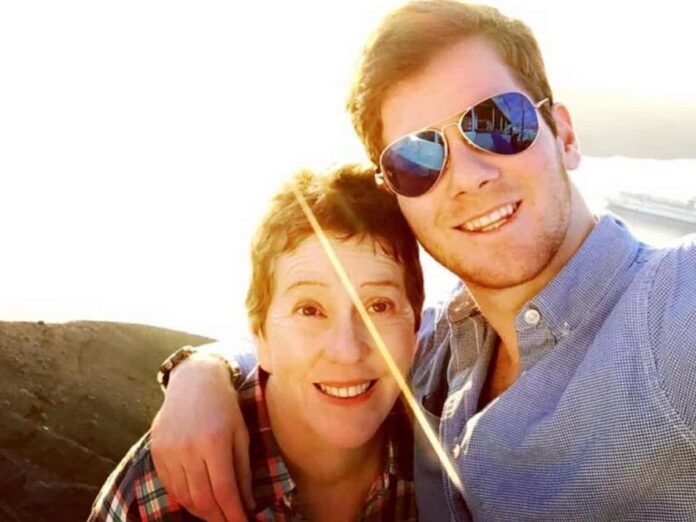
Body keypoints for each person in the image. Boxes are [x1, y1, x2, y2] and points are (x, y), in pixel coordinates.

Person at [149, 1, 696, 520]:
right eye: (418, 158)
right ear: (398, 197)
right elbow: (319, 334)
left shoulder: (673, 310)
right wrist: (202, 372)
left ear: (565, 135)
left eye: (497, 123)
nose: (469, 177)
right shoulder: (440, 347)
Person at [88, 165, 423, 521]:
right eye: (309, 310)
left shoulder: (444, 455)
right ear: (260, 335)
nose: (347, 350)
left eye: (379, 306)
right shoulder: (157, 492)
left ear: (416, 327)